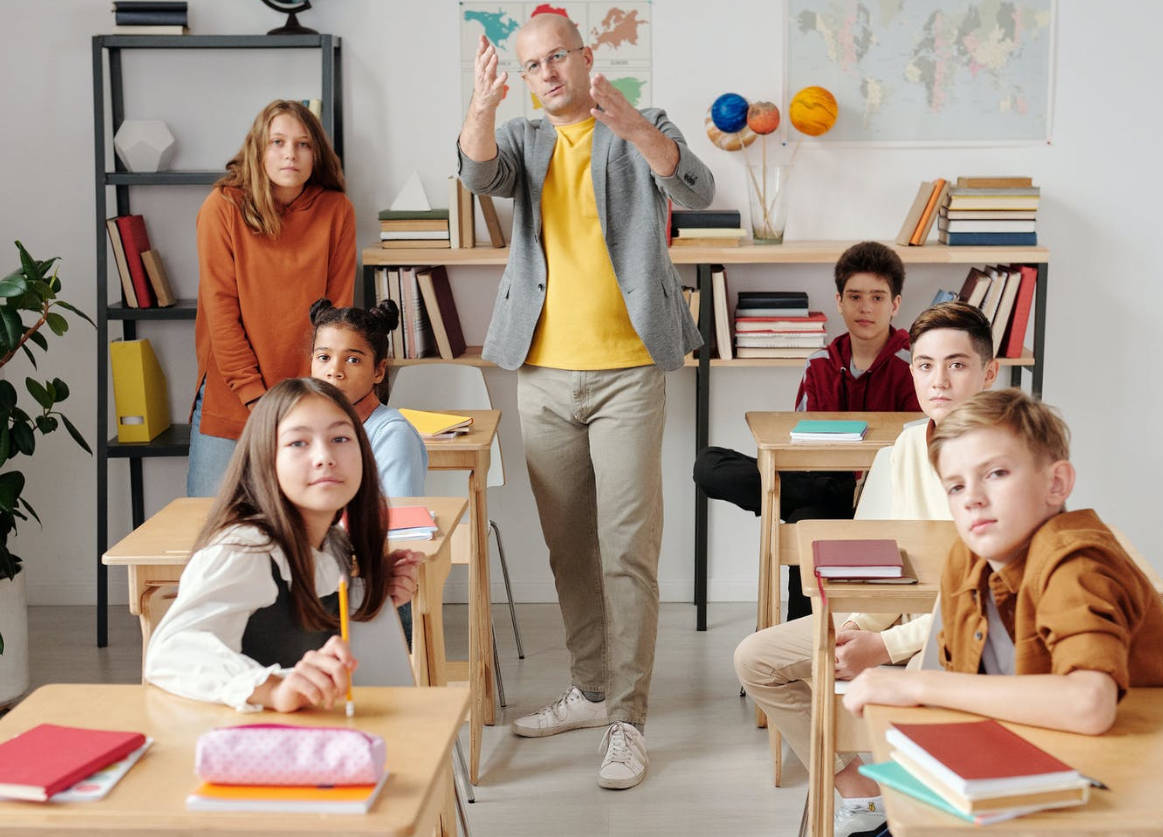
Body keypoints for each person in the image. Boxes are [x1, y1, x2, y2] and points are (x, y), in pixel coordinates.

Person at [456, 12, 714, 789]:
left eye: (558, 57)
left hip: (630, 371)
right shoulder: (527, 141)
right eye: (533, 66)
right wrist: (480, 106)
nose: (548, 74)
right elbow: (477, 176)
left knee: (627, 546)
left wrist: (637, 128)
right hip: (542, 374)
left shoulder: (640, 126)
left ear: (586, 56)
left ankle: (626, 721)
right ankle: (592, 686)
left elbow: (696, 188)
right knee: (569, 546)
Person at [734, 301, 997, 836]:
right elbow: (869, 551)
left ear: (989, 373)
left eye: (957, 364)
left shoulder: (1006, 461)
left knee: (925, 692)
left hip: (960, 637)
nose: (938, 381)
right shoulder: (902, 447)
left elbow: (993, 601)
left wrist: (885, 648)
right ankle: (856, 783)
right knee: (756, 658)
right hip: (890, 617)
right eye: (924, 366)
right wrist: (857, 625)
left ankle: (919, 805)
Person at [843, 389, 1163, 734]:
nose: (972, 498)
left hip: (1153, 772)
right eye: (955, 486)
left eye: (996, 473)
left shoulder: (1074, 564)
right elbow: (968, 689)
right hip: (1043, 758)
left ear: (1056, 483)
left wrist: (918, 684)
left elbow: (1088, 704)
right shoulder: (966, 559)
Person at [146, 378, 422, 712]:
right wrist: (273, 688)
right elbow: (172, 651)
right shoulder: (246, 548)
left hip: (302, 742)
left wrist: (372, 589)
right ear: (265, 459)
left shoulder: (332, 544)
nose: (324, 457)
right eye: (298, 443)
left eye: (340, 438)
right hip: (240, 752)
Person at [693, 241, 920, 621]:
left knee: (804, 524)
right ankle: (796, 651)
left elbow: (911, 450)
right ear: (839, 301)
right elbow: (799, 442)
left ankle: (792, 650)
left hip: (879, 495)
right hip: (822, 485)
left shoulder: (912, 365)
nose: (865, 307)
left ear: (895, 304)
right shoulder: (818, 364)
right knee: (709, 465)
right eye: (855, 296)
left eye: (877, 297)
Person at [189, 100, 356, 497]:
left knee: (305, 535)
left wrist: (311, 401)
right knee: (212, 538)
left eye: (302, 144)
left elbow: (336, 322)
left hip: (306, 400)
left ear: (316, 153)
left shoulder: (336, 211)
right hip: (233, 399)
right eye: (277, 142)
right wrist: (258, 401)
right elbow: (221, 316)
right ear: (258, 150)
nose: (289, 154)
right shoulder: (223, 208)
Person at [308, 298, 428, 498]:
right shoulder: (303, 426)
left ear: (379, 371)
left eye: (353, 360)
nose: (335, 371)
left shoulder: (392, 434)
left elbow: (399, 522)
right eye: (324, 357)